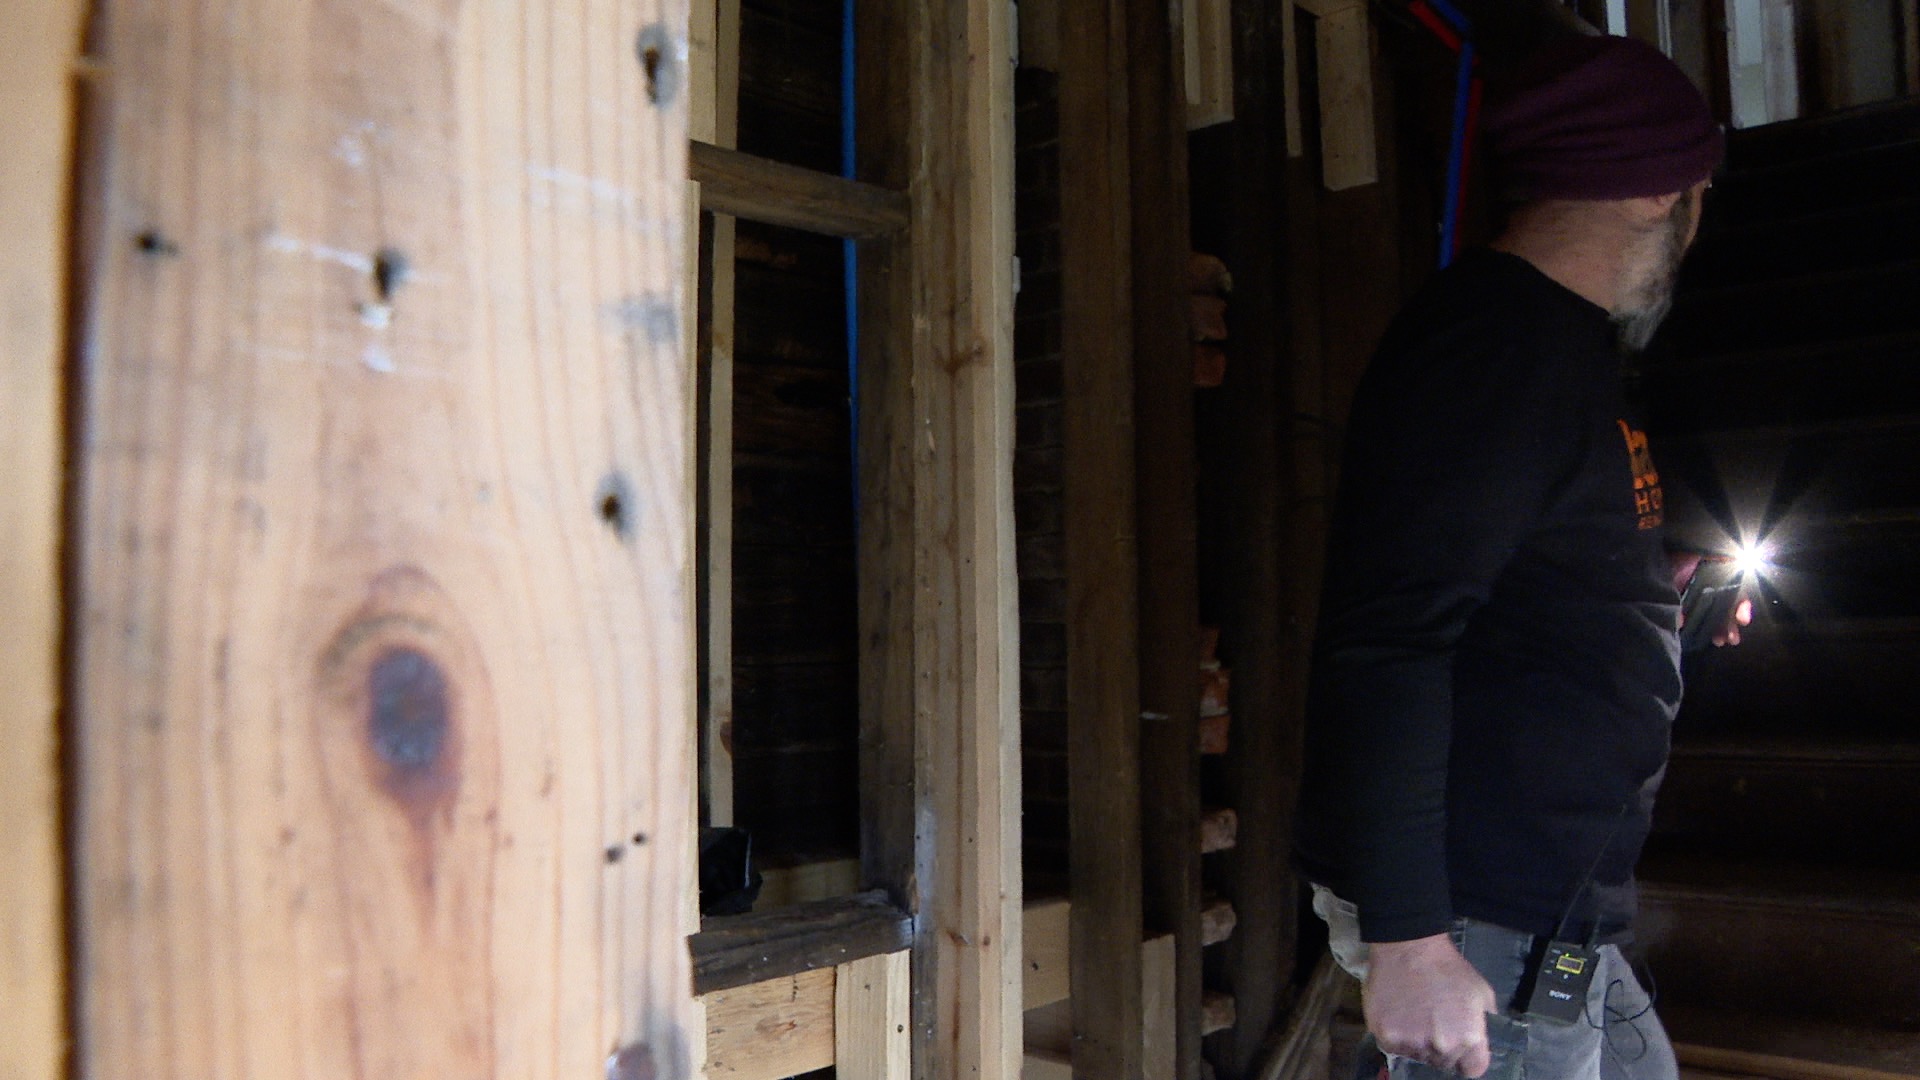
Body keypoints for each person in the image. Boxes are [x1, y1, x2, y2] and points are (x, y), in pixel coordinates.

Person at [1292, 34, 1753, 1080]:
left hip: (1547, 898)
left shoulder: (1558, 345)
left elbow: (1525, 588)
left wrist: (1653, 607)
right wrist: (1410, 939)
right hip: (1476, 916)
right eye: (1698, 192)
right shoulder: (1496, 346)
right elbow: (1390, 638)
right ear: (1660, 194)